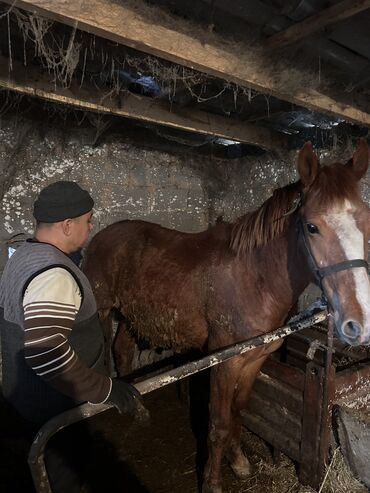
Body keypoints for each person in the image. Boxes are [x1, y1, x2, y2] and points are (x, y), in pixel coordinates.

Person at [0, 181, 142, 492]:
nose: (90, 228)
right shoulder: (53, 275)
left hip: (26, 402)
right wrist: (104, 389)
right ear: (67, 225)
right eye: (87, 220)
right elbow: (46, 354)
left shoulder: (22, 254)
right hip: (56, 412)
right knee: (63, 480)